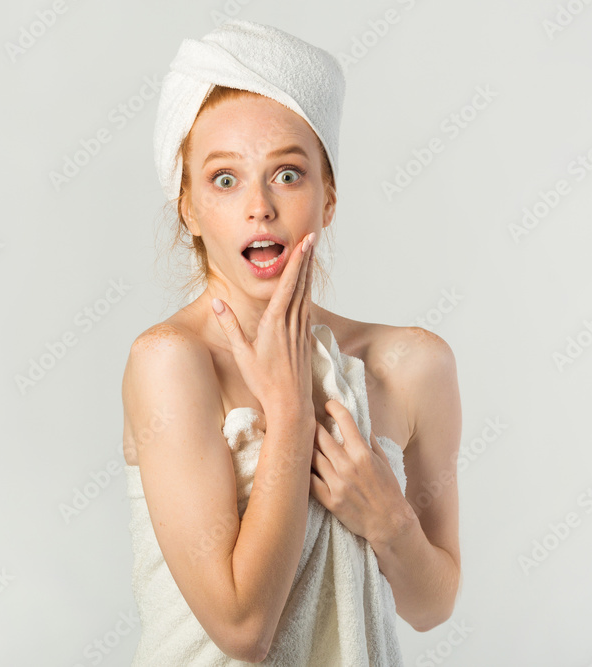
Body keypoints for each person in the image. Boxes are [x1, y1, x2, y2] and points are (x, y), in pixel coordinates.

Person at [122, 20, 461, 665]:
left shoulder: (412, 365)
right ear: (188, 208)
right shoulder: (170, 363)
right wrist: (292, 415)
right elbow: (242, 629)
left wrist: (388, 521)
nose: (259, 207)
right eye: (225, 179)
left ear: (328, 198)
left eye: (287, 174)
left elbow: (431, 605)